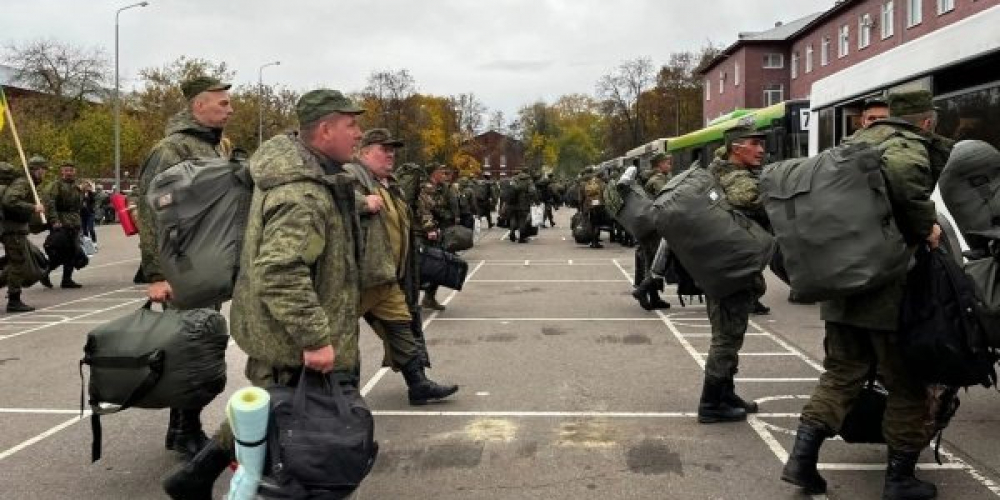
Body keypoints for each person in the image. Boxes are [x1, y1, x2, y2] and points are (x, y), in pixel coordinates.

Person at [162, 89, 366, 499]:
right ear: (325, 130)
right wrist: (315, 337)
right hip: (292, 341)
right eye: (351, 125)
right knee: (294, 436)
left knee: (266, 410)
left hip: (280, 332)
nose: (359, 134)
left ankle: (194, 478)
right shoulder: (301, 194)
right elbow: (279, 270)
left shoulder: (309, 177)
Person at [782, 91, 951, 500]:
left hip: (841, 287)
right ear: (927, 122)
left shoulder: (851, 145)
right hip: (887, 291)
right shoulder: (906, 148)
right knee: (907, 385)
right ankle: (899, 479)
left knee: (841, 375)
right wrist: (926, 227)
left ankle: (801, 461)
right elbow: (910, 192)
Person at [137, 75, 233, 460]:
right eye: (222, 103)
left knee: (202, 344)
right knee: (188, 348)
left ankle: (183, 427)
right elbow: (149, 212)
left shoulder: (217, 146)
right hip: (181, 266)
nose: (230, 109)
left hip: (207, 264)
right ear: (198, 106)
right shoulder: (171, 149)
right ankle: (185, 431)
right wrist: (156, 274)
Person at [346, 128, 459, 405]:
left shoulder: (389, 185)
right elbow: (330, 199)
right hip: (356, 279)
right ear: (364, 152)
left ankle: (418, 385)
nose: (390, 154)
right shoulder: (351, 176)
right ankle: (344, 398)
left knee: (403, 328)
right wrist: (362, 203)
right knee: (341, 340)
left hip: (386, 278)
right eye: (383, 149)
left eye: (392, 150)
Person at [697, 126, 769, 424]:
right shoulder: (735, 178)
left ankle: (726, 392)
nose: (761, 150)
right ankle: (711, 402)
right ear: (736, 148)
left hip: (724, 265)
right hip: (730, 270)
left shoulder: (718, 172)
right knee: (726, 339)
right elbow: (752, 200)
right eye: (755, 144)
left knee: (731, 335)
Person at [0, 160, 47, 312]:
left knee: (16, 261)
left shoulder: (28, 183)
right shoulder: (23, 182)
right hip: (12, 229)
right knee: (17, 263)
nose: (44, 172)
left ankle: (14, 297)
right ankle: (14, 300)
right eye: (42, 169)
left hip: (15, 228)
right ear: (35, 169)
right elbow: (10, 201)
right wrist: (33, 207)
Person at [631, 153, 673, 310]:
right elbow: (668, 198)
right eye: (667, 163)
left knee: (652, 261)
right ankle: (642, 290)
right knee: (660, 261)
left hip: (647, 224)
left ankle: (653, 297)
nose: (670, 166)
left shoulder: (649, 177)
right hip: (654, 225)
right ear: (659, 165)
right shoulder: (658, 180)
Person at [417, 163, 454, 311]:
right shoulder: (426, 188)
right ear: (433, 173)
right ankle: (413, 301)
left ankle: (429, 298)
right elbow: (424, 209)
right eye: (440, 172)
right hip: (425, 232)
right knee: (423, 267)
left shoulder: (440, 187)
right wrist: (429, 228)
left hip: (436, 229)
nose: (443, 174)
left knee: (437, 265)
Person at [41, 162, 83, 289]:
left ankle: (67, 279)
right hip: (61, 222)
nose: (69, 173)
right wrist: (54, 220)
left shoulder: (76, 187)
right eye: (66, 170)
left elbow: (78, 206)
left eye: (71, 170)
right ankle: (44, 272)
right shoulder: (56, 186)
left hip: (73, 222)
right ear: (62, 172)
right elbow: (50, 203)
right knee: (60, 252)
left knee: (73, 251)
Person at [508, 169, 536, 243]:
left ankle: (512, 232)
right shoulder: (528, 180)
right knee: (522, 220)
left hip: (512, 203)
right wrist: (531, 199)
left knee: (513, 218)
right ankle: (522, 238)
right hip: (523, 203)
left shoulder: (513, 179)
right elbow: (532, 191)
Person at [80, 180, 97, 245]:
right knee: (84, 230)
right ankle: (87, 243)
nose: (86, 187)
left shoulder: (91, 193)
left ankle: (94, 242)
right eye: (85, 185)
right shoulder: (80, 194)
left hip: (90, 213)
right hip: (82, 213)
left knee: (91, 229)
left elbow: (93, 201)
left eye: (87, 185)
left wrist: (88, 196)